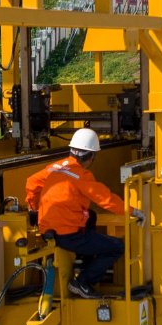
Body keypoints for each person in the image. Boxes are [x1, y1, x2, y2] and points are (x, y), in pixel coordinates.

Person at [26, 128, 142, 299]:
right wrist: (134, 212)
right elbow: (106, 199)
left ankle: (86, 260)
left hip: (46, 230)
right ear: (91, 157)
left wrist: (33, 208)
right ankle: (83, 282)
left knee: (91, 217)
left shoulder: (56, 167)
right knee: (116, 247)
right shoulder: (82, 177)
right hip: (69, 236)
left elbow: (32, 182)